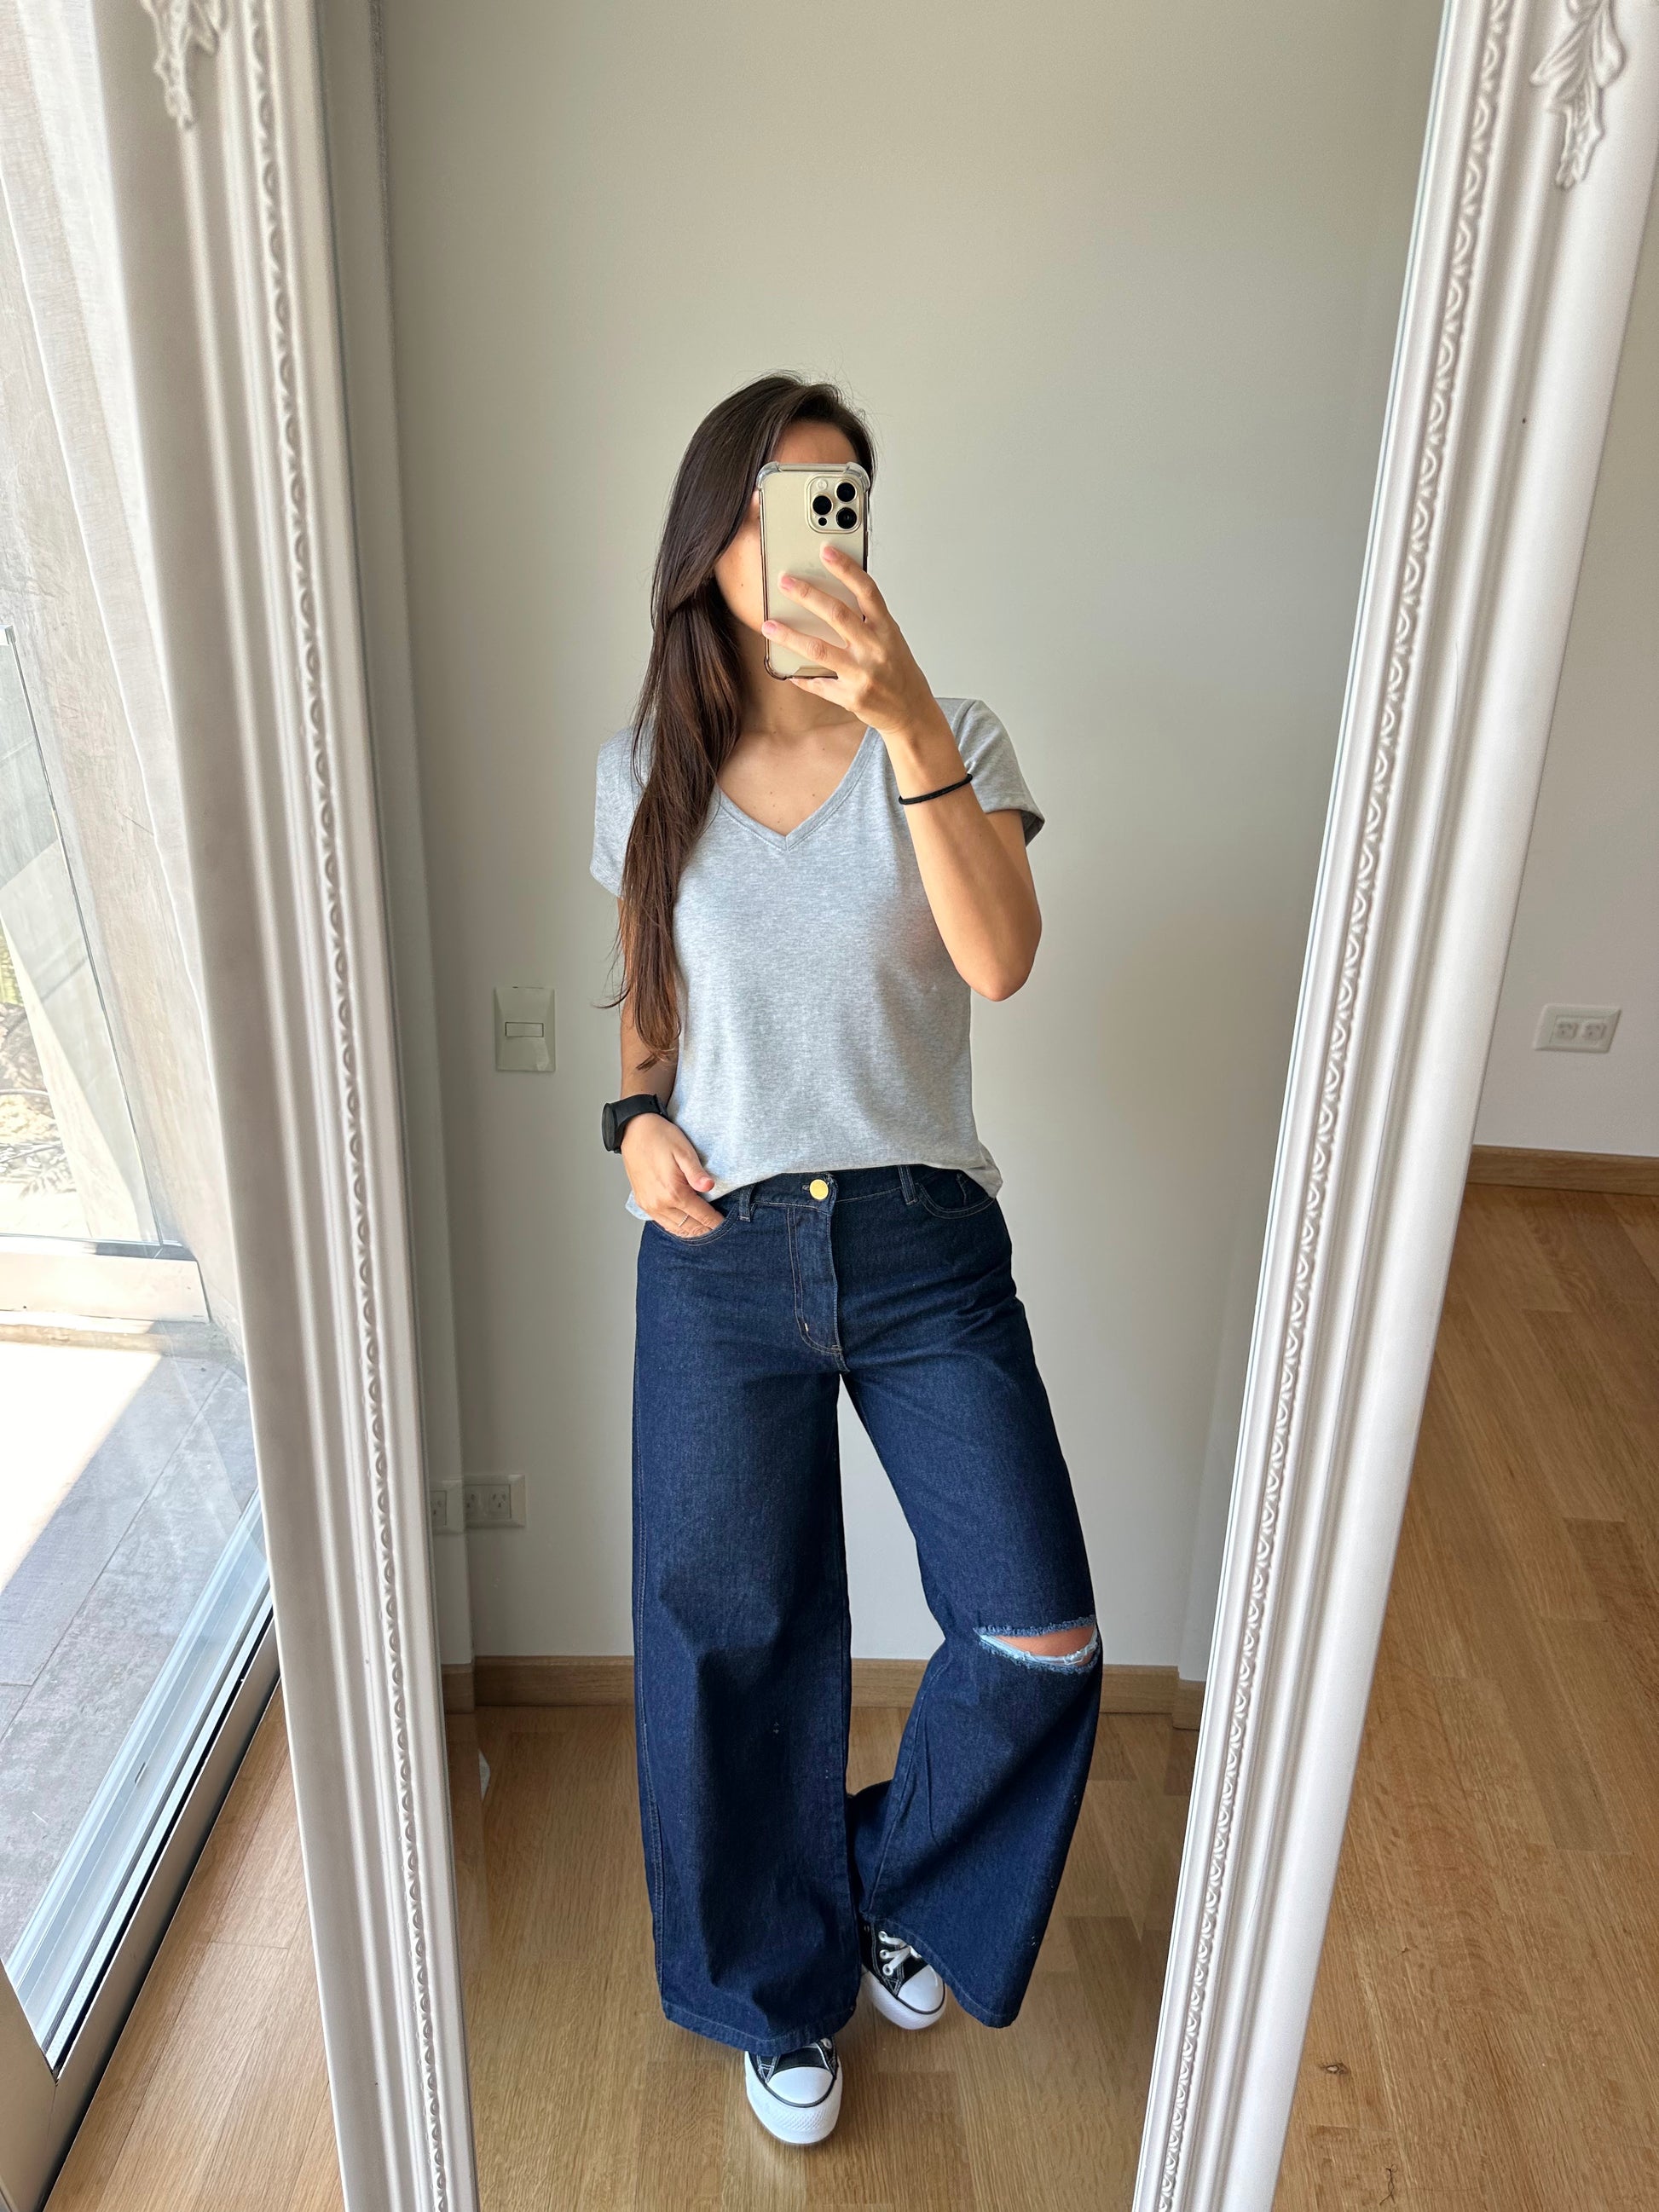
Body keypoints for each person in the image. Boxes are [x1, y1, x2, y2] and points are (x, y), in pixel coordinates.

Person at [591, 373, 1100, 2146]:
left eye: (840, 503)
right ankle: (770, 1988)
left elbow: (999, 959)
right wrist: (630, 1121)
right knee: (727, 1640)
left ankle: (877, 1882)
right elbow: (649, 1008)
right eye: (777, 502)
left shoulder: (952, 731)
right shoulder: (643, 771)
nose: (812, 536)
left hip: (919, 1240)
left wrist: (902, 717)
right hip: (720, 1251)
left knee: (1035, 1629)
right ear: (711, 534)